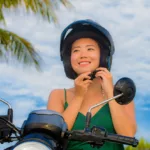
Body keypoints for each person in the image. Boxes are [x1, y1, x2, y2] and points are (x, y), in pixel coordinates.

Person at [47, 19, 137, 150]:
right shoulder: (58, 95)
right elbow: (54, 135)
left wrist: (110, 93)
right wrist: (78, 97)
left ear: (103, 56)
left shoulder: (121, 95)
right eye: (76, 50)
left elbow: (128, 134)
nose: (83, 55)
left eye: (90, 49)